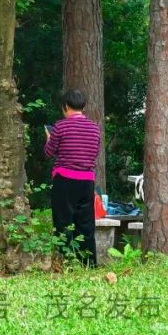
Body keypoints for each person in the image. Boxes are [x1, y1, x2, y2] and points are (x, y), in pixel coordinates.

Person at [45, 88, 101, 267]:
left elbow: (48, 152)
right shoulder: (94, 128)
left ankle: (64, 262)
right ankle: (89, 263)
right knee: (86, 224)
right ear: (83, 106)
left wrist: (48, 138)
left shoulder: (60, 127)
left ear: (66, 106)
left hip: (65, 179)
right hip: (87, 180)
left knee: (63, 222)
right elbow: (94, 153)